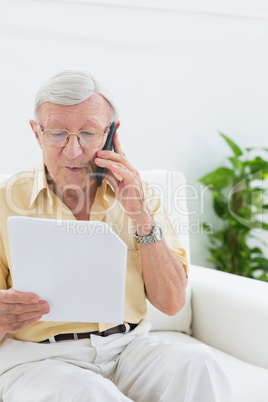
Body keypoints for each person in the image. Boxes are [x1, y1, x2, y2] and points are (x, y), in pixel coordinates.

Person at [0, 70, 231, 401]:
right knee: (86, 391)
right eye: (58, 133)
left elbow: (172, 303)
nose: (73, 150)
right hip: (39, 358)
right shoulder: (4, 199)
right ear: (37, 133)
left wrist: (141, 216)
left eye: (88, 133)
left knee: (198, 364)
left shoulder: (140, 195)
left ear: (110, 134)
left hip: (128, 348)